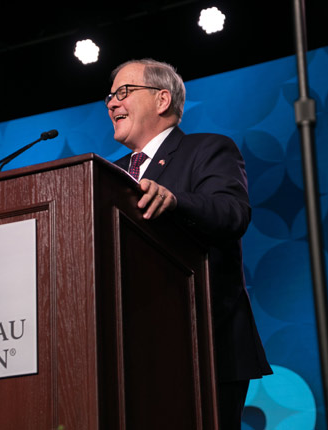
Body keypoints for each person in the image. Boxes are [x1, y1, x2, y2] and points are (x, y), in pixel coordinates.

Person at [106, 58, 272, 429]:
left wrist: (176, 200)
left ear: (162, 99)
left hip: (204, 343)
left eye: (123, 92)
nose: (112, 103)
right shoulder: (108, 173)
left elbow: (232, 213)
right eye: (110, 97)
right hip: (130, 351)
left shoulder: (207, 149)